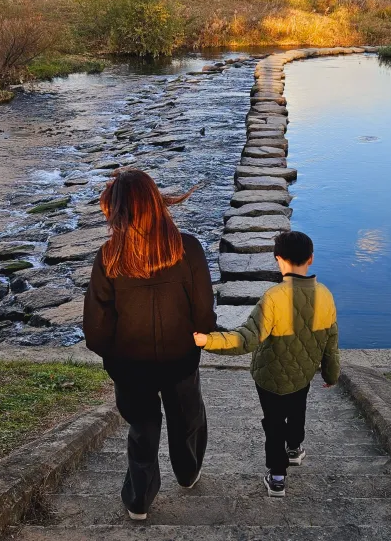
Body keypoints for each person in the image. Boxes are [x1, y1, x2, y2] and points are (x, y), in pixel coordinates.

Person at [83, 168, 216, 520]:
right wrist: (197, 339)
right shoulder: (187, 248)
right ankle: (187, 472)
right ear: (156, 202)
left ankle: (139, 499)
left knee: (142, 427)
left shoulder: (110, 256)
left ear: (119, 210)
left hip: (130, 362)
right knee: (187, 416)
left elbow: (95, 326)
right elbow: (204, 309)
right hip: (180, 356)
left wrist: (112, 355)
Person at [193, 230, 340, 497]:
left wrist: (208, 340)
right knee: (297, 411)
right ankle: (294, 449)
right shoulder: (326, 295)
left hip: (270, 377)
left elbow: (246, 339)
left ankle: (277, 477)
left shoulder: (273, 297)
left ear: (278, 260)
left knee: (273, 424)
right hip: (303, 373)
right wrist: (331, 374)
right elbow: (331, 342)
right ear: (311, 259)